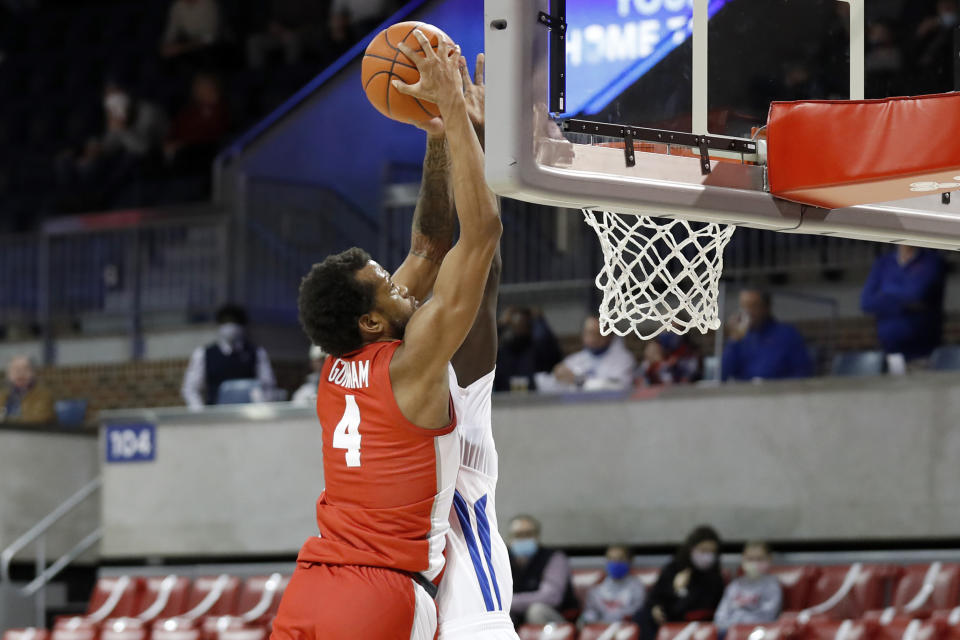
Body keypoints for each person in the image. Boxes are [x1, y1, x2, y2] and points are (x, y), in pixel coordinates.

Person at [270, 32, 502, 639]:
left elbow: (427, 247)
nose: (404, 285)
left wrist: (436, 141)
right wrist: (452, 109)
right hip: (379, 593)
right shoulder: (412, 362)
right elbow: (479, 237)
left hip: (313, 586)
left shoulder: (341, 362)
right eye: (388, 286)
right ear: (372, 322)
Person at [428, 51, 520, 640]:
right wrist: (460, 126)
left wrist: (459, 131)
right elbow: (466, 263)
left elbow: (461, 261)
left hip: (462, 609)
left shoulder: (419, 386)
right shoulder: (409, 377)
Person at [635, 525, 725, 640]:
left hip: (694, 621)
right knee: (643, 615)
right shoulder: (674, 568)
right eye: (703, 550)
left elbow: (698, 607)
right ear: (691, 549)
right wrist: (655, 607)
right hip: (666, 618)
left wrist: (680, 590)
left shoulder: (715, 577)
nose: (707, 556)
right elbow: (656, 596)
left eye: (711, 551)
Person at [181, 304, 276, 409]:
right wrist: (200, 413)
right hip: (215, 415)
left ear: (242, 325)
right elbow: (191, 389)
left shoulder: (256, 353)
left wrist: (261, 408)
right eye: (226, 322)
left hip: (248, 414)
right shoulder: (204, 353)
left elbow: (268, 386)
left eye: (234, 322)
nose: (230, 326)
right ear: (219, 325)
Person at [860, 246, 945, 362]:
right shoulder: (883, 262)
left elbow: (916, 294)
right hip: (889, 350)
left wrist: (885, 294)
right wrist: (903, 301)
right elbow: (867, 302)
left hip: (923, 350)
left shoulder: (931, 261)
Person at [721, 289, 812, 381]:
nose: (748, 312)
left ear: (766, 307)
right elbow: (722, 375)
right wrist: (733, 340)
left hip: (778, 392)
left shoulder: (788, 335)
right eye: (744, 306)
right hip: (746, 393)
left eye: (753, 306)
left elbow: (803, 373)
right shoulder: (739, 340)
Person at [508, 514, 579, 627]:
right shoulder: (503, 559)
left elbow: (551, 597)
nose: (523, 538)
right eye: (518, 535)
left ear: (537, 536)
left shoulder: (554, 558)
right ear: (510, 538)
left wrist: (510, 602)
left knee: (536, 611)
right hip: (516, 616)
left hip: (557, 618)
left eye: (528, 534)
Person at [537, 315, 636, 392]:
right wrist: (556, 374)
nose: (591, 338)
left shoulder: (623, 359)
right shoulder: (574, 360)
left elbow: (619, 386)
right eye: (587, 333)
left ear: (609, 335)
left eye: (595, 333)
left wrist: (578, 380)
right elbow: (551, 386)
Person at [163, 72, 230, 175]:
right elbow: (174, 130)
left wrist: (184, 145)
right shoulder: (189, 111)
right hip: (180, 153)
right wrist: (170, 143)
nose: (199, 90)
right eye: (198, 86)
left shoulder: (221, 110)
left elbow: (215, 135)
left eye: (204, 86)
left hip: (201, 154)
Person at [714, 541, 782, 633]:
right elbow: (720, 616)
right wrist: (731, 627)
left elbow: (768, 616)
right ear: (743, 559)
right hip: (729, 631)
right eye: (750, 559)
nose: (754, 563)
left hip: (757, 632)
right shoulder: (735, 585)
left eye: (759, 559)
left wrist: (740, 622)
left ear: (769, 559)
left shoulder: (772, 585)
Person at [493, 306, 562, 392]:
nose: (519, 325)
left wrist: (539, 319)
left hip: (534, 395)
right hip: (506, 394)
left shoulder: (537, 349)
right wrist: (501, 324)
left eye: (523, 323)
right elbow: (488, 350)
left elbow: (550, 346)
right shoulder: (504, 352)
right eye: (516, 322)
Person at [246, 0, 326, 69]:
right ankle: (258, 78)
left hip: (304, 33)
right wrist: (274, 26)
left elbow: (315, 22)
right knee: (254, 41)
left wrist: (293, 32)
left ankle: (291, 75)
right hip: (281, 33)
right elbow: (271, 18)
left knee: (292, 40)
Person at [581, 545, 647, 624]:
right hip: (600, 629)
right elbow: (590, 612)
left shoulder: (637, 587)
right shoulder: (597, 587)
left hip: (626, 629)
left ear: (629, 560)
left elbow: (638, 612)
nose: (615, 562)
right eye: (611, 559)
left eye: (620, 559)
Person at [0, 356, 54, 424]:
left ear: (33, 373)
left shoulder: (44, 394)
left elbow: (38, 419)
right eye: (16, 369)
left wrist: (5, 420)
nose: (20, 373)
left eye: (25, 369)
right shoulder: (2, 395)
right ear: (8, 375)